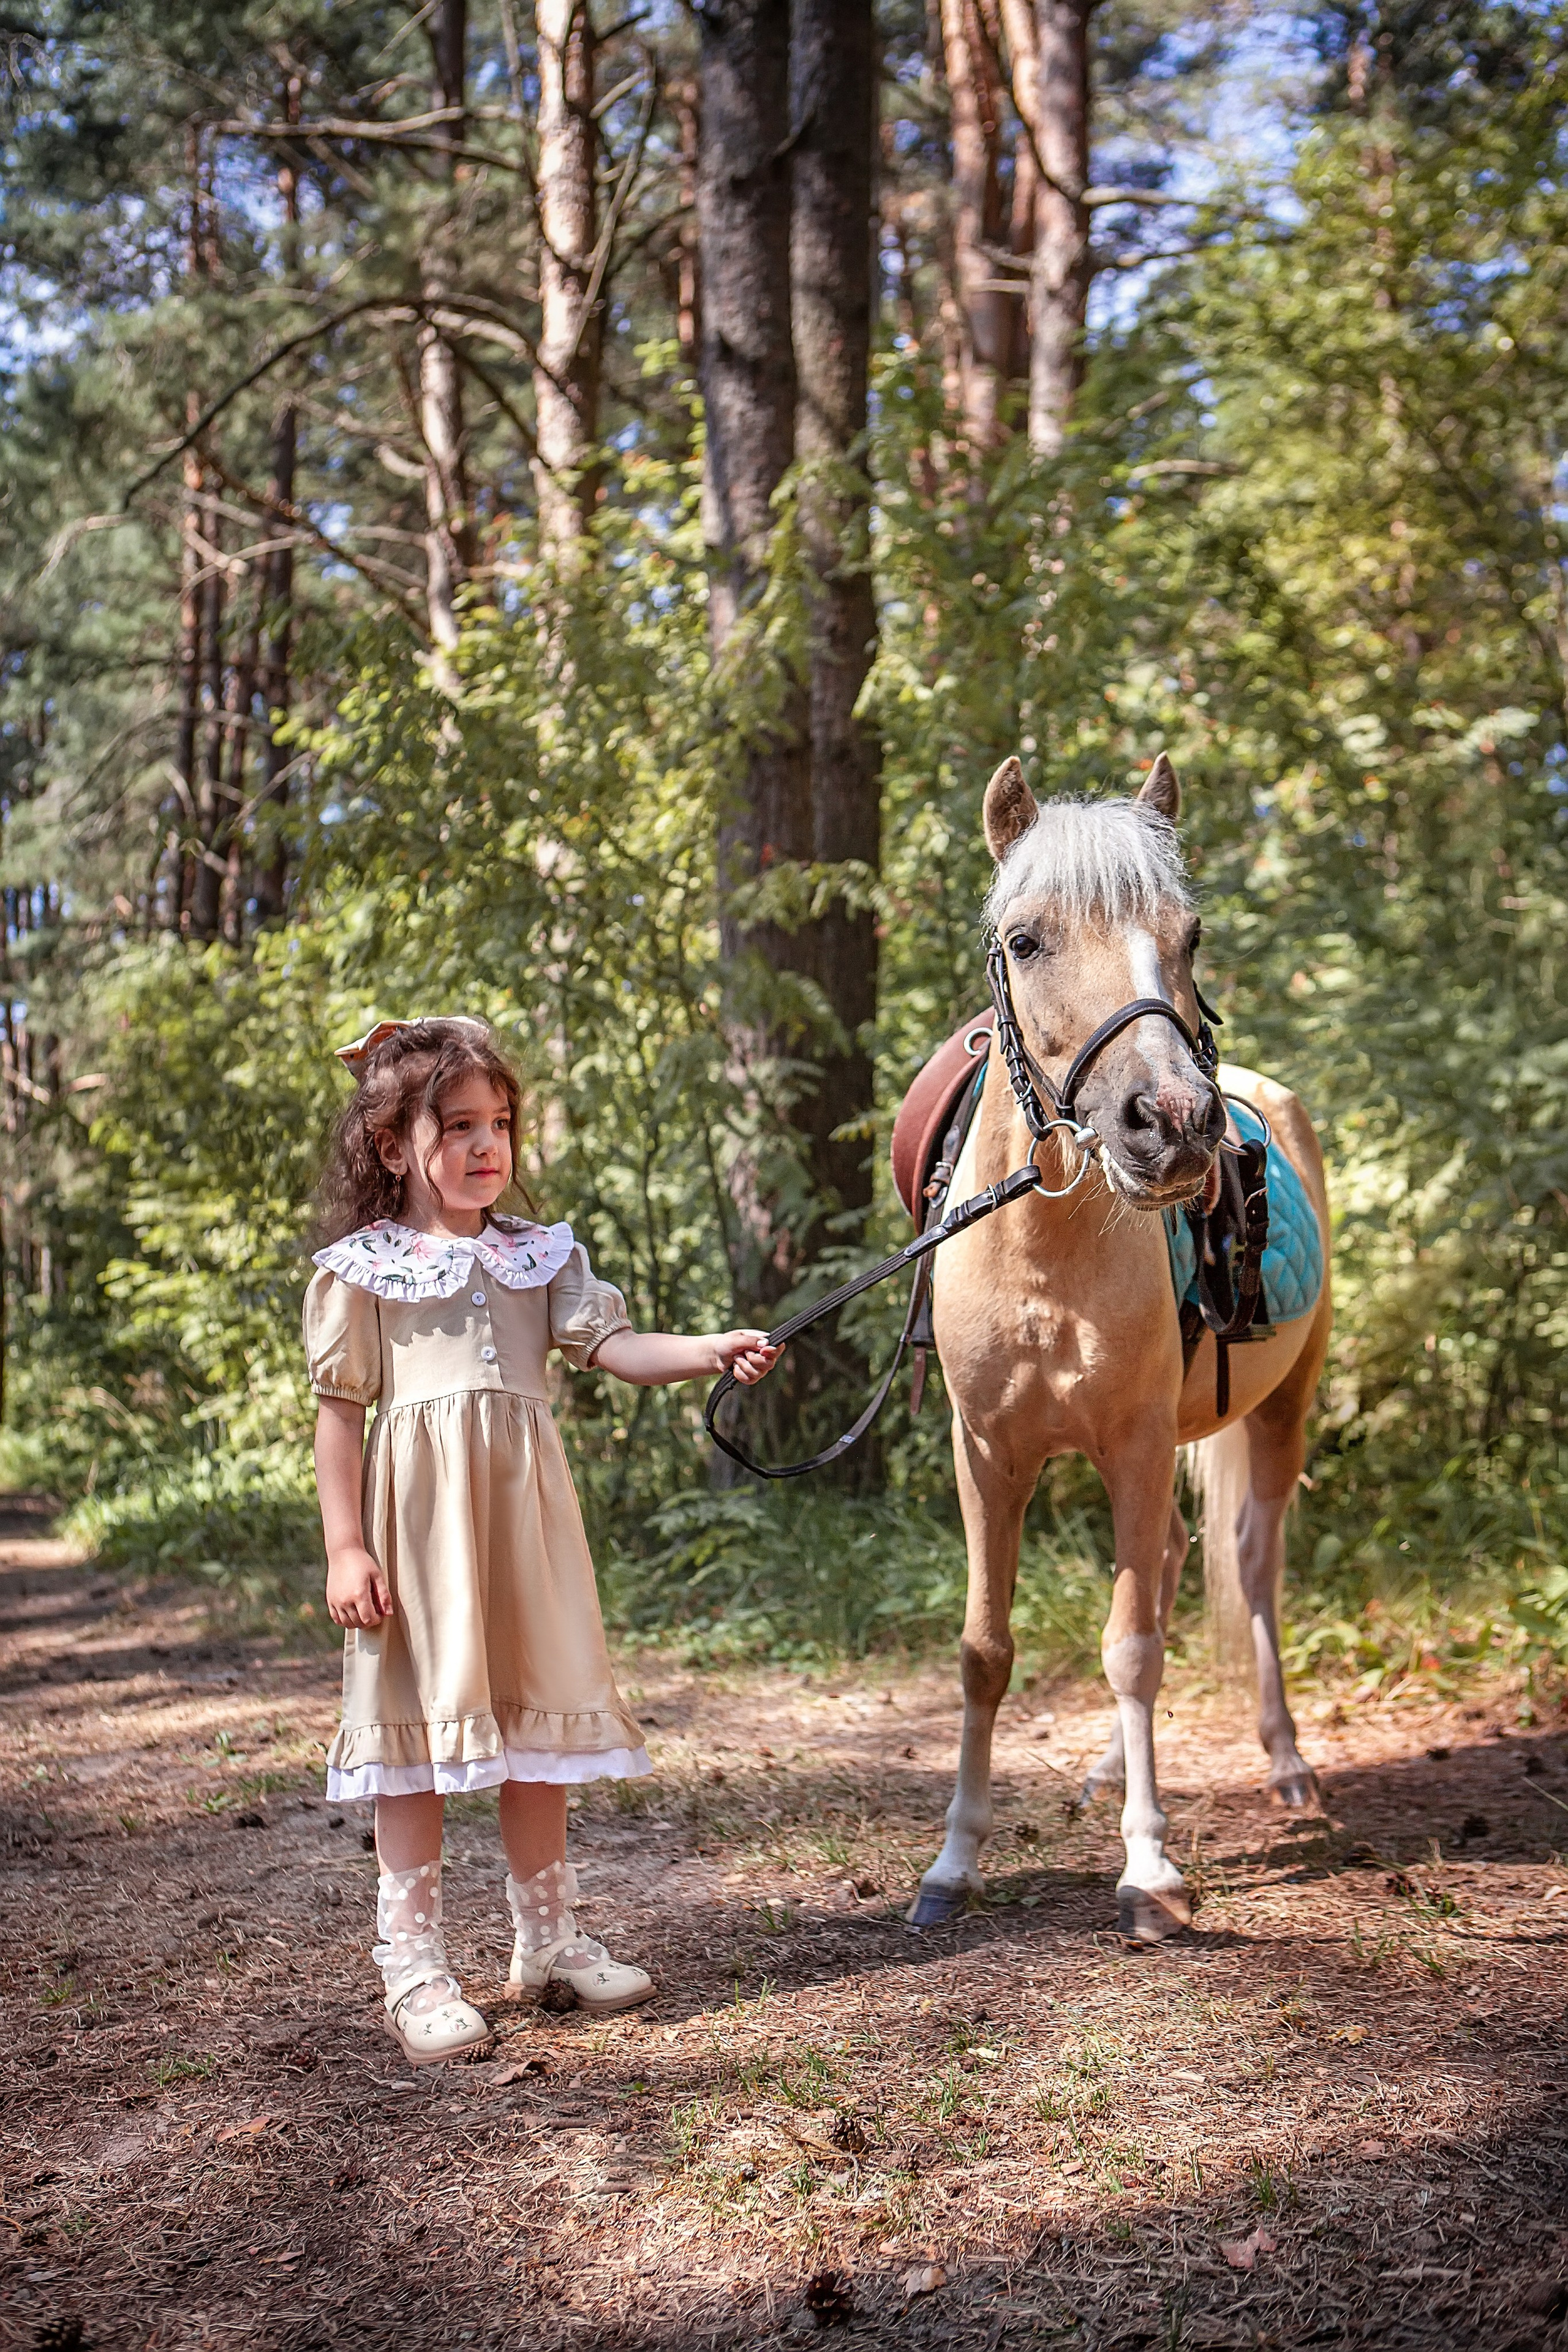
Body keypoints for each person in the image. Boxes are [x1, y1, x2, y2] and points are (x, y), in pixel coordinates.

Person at [304, 1015, 779, 2065]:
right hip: (422, 1532)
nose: (488, 1147)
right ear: (395, 1146)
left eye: (502, 1124)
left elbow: (612, 1345)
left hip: (525, 1525)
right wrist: (348, 1547)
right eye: (460, 1125)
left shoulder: (540, 1254)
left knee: (537, 1735)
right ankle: (415, 1964)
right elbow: (341, 1415)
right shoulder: (366, 1269)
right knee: (413, 1750)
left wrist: (707, 1348)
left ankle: (547, 1941)